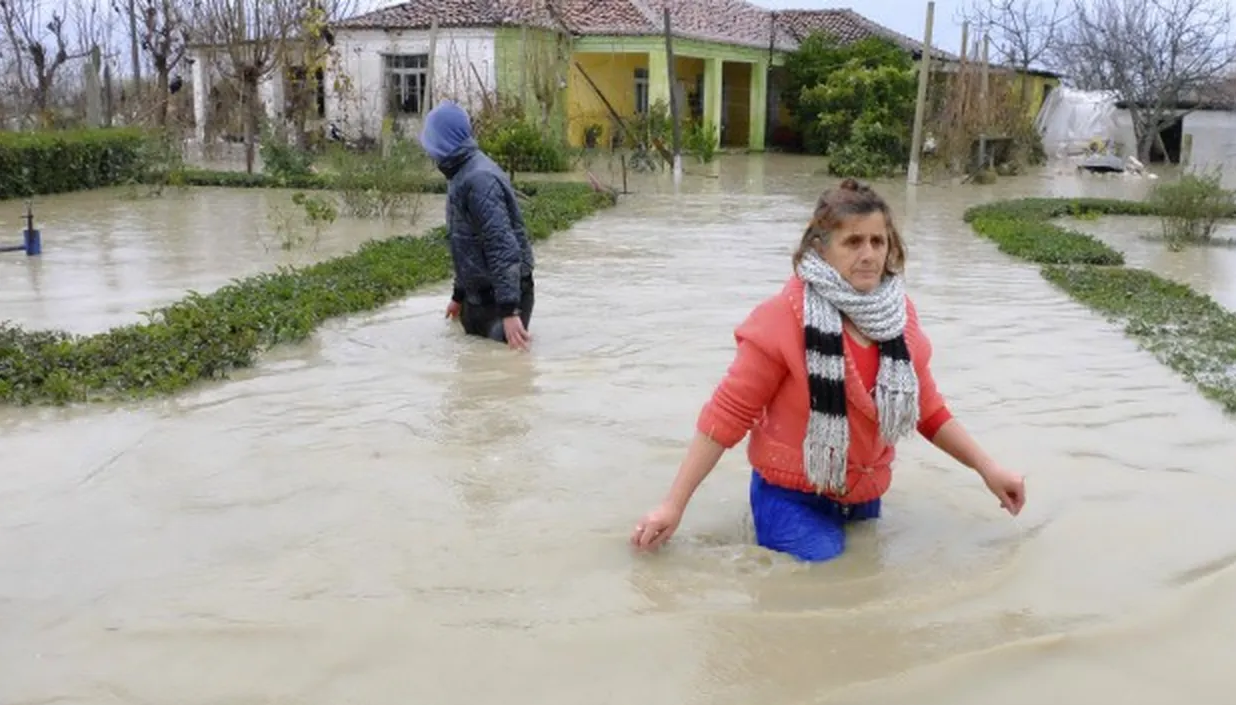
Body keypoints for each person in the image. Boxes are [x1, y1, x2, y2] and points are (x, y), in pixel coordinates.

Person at [631, 179, 1026, 563]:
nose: (868, 254)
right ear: (820, 250)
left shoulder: (898, 318)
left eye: (877, 241)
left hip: (863, 495)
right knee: (829, 576)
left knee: (867, 575)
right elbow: (727, 415)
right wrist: (672, 506)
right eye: (853, 242)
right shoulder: (782, 317)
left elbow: (928, 409)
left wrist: (988, 469)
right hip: (790, 497)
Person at [420, 100, 534, 350]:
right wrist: (458, 296)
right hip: (479, 295)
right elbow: (466, 245)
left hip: (501, 297)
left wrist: (510, 311)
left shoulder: (479, 179)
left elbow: (501, 245)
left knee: (505, 368)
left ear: (443, 141)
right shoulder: (459, 175)